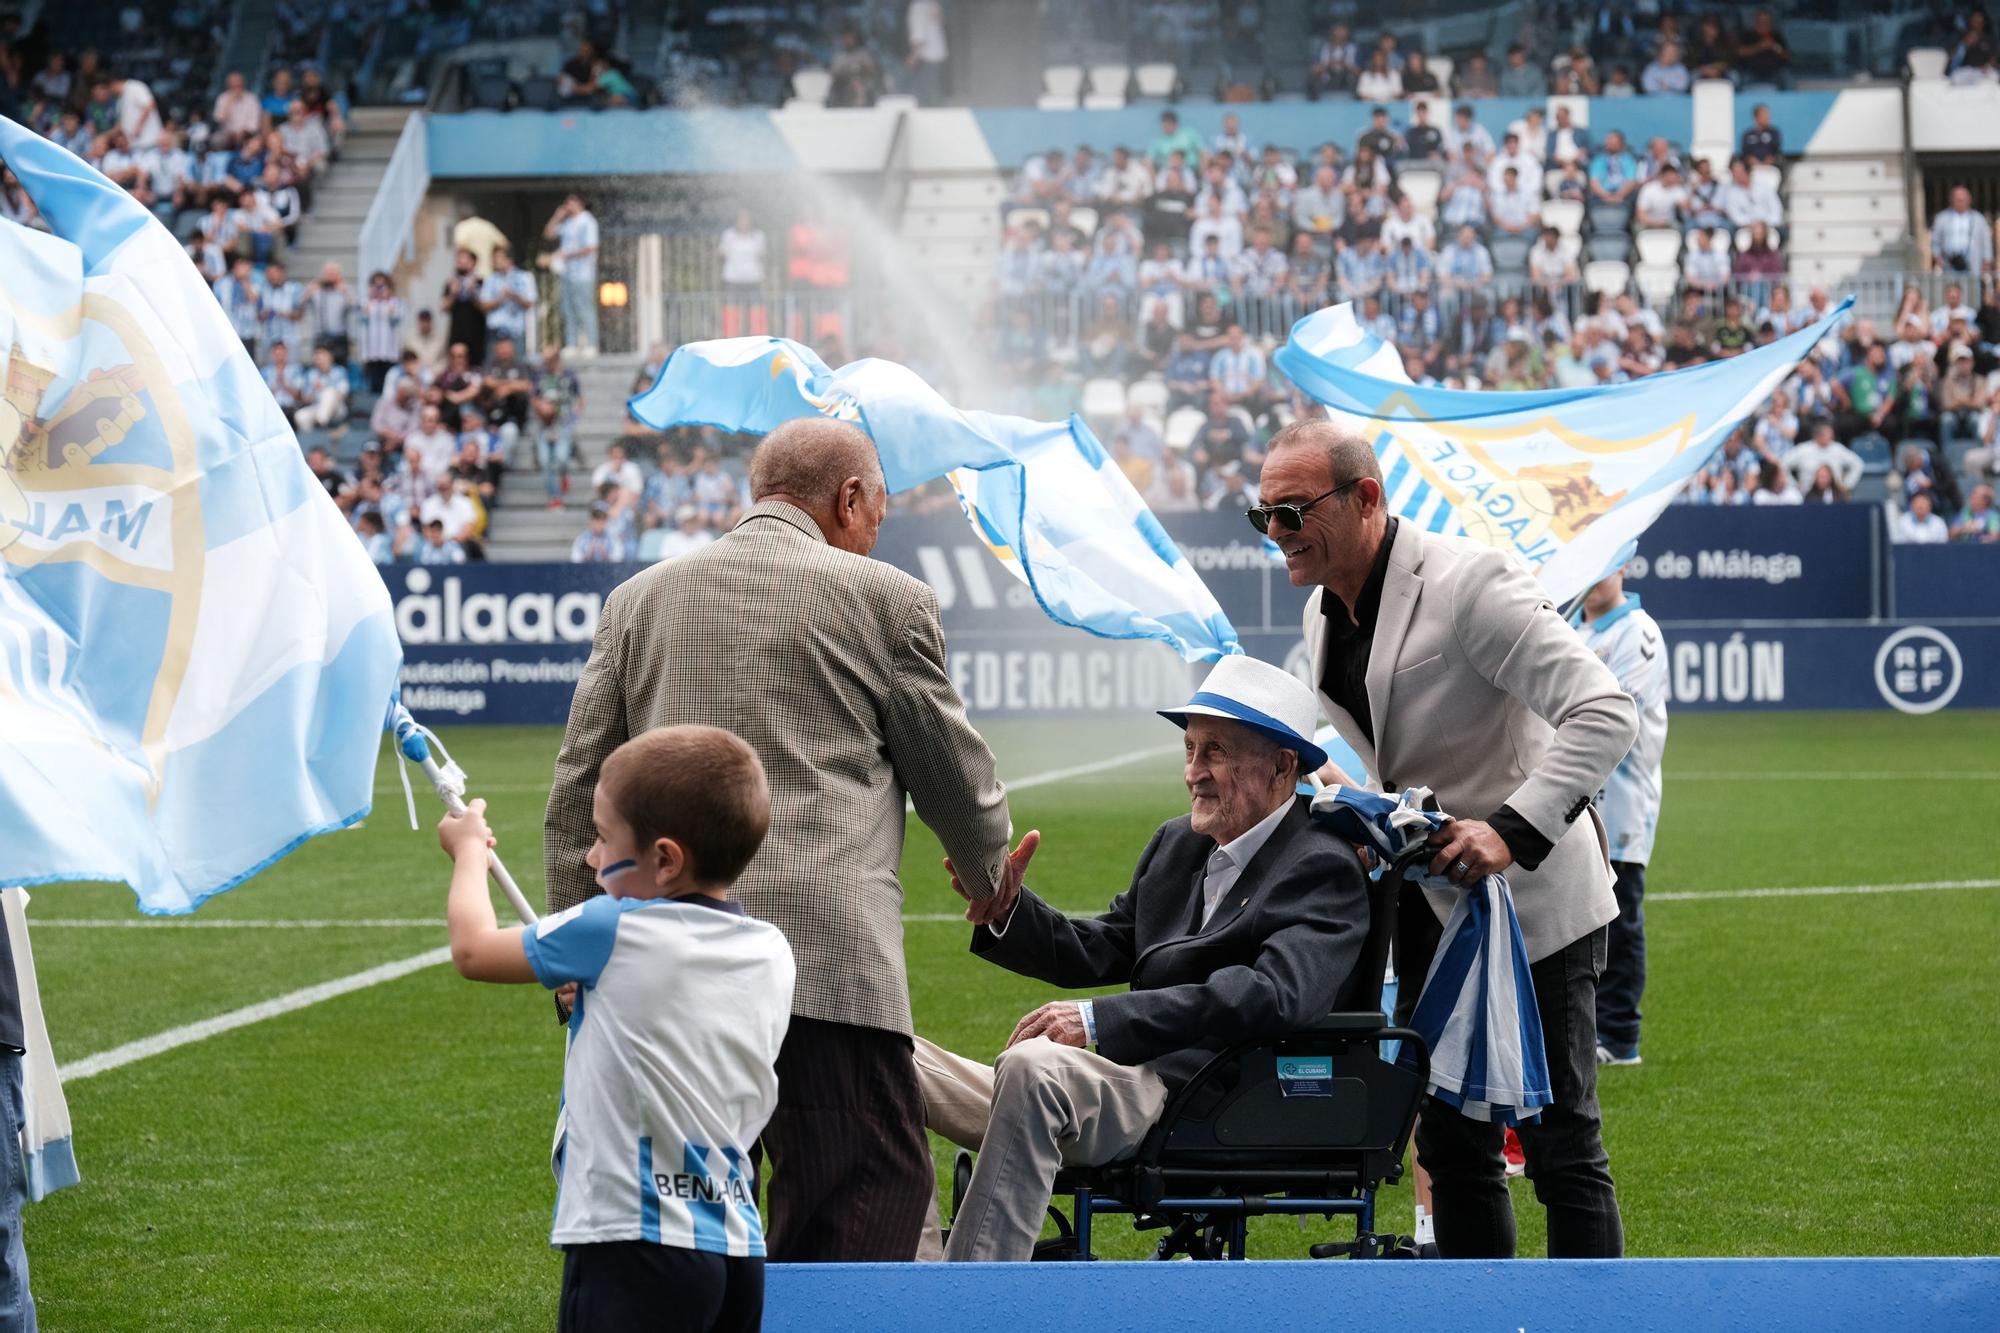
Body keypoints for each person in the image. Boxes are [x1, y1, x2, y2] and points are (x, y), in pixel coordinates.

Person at [544, 418, 1026, 1263]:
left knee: (676, 1229)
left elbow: (577, 793)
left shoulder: (638, 600)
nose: (877, 529)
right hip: (828, 968)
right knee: (859, 1208)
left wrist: (574, 954)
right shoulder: (886, 597)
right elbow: (952, 770)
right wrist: (989, 874)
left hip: (666, 976)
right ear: (847, 499)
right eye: (878, 509)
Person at [1265, 420, 1636, 1259]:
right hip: (1434, 913)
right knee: (1452, 1147)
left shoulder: (1471, 582)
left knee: (1560, 1145)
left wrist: (1509, 831)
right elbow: (1405, 758)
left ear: (1367, 499)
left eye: (1293, 512)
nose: (1278, 534)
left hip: (1538, 908)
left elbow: (1606, 710)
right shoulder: (1326, 614)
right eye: (1265, 517)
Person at [917, 655, 1370, 1262]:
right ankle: (908, 1276)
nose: (1194, 773)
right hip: (1126, 1087)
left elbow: (1274, 995)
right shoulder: (1179, 842)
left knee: (1032, 1066)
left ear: (1283, 767)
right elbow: (1104, 945)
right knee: (886, 1055)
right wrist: (1006, 906)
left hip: (1209, 1100)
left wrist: (1101, 1020)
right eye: (1190, 750)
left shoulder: (1321, 864)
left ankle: (967, 1300)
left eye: (1215, 752)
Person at [438, 726, 792, 1333]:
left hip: (634, 1241)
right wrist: (607, 998)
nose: (591, 857)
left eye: (603, 839)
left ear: (664, 859)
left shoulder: (611, 929)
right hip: (735, 1244)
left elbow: (473, 951)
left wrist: (470, 854)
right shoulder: (770, 949)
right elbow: (678, 1021)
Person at [1570, 571, 1668, 1069]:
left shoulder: (1639, 632)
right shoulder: (1571, 626)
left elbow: (1616, 714)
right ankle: (1591, 1031)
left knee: (1621, 919)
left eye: (1603, 563)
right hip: (1577, 801)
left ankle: (1621, 1035)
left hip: (1622, 801)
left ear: (1624, 565)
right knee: (1579, 920)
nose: (1593, 575)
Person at [546, 194, 601, 355]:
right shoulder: (568, 223)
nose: (568, 207)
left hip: (583, 274)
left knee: (584, 308)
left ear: (580, 204)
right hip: (567, 273)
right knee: (568, 309)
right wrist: (557, 217)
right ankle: (571, 343)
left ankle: (591, 344)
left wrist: (566, 255)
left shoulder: (588, 222)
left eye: (571, 203)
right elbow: (549, 234)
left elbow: (591, 248)